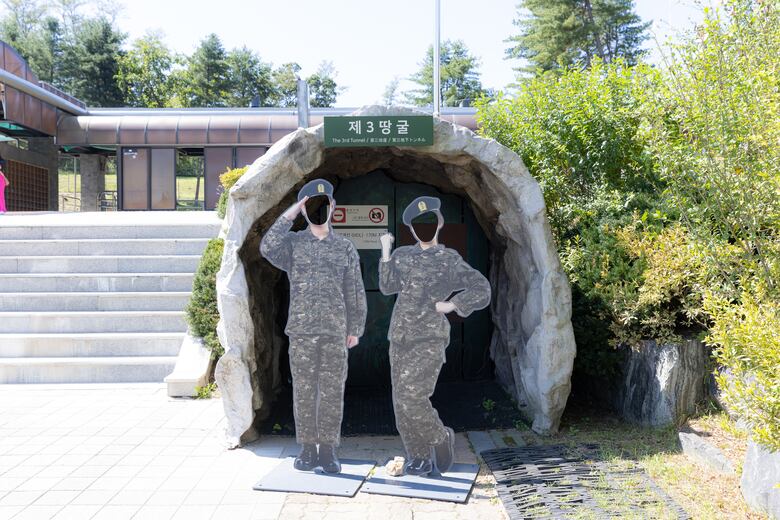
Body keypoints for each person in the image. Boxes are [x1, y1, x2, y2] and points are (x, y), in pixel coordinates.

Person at [260, 178, 367, 474]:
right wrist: (292, 212)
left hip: (335, 330)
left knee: (332, 391)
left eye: (324, 202)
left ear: (333, 206)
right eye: (312, 204)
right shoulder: (293, 245)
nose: (319, 209)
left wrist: (355, 327)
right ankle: (307, 449)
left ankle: (329, 450)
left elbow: (354, 290)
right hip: (303, 332)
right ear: (306, 210)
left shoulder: (344, 247)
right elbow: (267, 247)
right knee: (305, 391)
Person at [379, 196, 491, 476]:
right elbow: (387, 286)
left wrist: (453, 304)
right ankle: (418, 457)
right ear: (413, 230)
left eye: (429, 221)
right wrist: (385, 253)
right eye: (419, 225)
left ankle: (441, 438)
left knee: (414, 398)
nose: (424, 228)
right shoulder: (403, 255)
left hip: (429, 338)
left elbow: (482, 288)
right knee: (400, 404)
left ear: (439, 223)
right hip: (400, 337)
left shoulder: (449, 260)